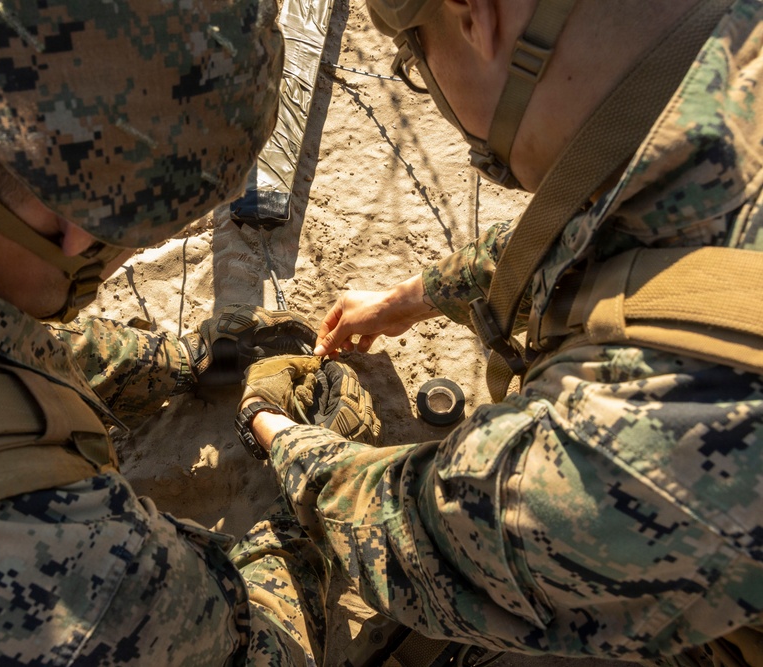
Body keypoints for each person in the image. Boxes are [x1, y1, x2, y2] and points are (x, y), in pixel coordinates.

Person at [0, 0, 367, 663]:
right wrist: (310, 473)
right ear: (81, 226)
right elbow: (264, 649)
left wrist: (185, 362)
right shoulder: (88, 577)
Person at [235, 0, 763, 663]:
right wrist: (411, 299)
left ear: (473, 17)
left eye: (415, 57)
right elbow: (603, 224)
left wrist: (272, 426)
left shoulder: (640, 427)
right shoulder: (724, 72)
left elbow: (421, 544)